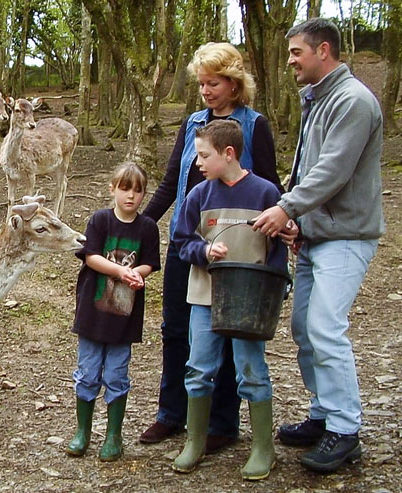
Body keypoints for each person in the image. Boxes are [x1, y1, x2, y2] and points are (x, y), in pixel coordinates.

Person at [253, 18, 384, 473]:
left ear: (323, 50)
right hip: (316, 236)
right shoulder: (320, 100)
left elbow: (333, 171)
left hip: (346, 237)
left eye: (295, 52)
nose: (289, 61)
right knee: (305, 330)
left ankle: (346, 431)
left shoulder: (353, 101)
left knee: (326, 327)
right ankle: (324, 413)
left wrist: (286, 209)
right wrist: (300, 224)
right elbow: (308, 168)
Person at [139, 41, 284, 450]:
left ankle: (222, 423)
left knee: (229, 327)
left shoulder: (253, 125)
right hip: (189, 240)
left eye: (214, 82)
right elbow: (173, 182)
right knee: (176, 328)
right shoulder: (193, 124)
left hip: (237, 247)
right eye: (202, 83)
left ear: (234, 85)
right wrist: (142, 226)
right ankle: (172, 413)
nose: (206, 90)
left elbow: (272, 188)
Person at [171, 120, 288, 480]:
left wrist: (273, 291)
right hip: (206, 297)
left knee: (251, 369)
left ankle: (263, 448)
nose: (198, 162)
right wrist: (204, 250)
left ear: (229, 154)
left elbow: (278, 250)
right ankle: (195, 441)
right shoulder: (198, 196)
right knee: (199, 368)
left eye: (204, 155)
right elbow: (180, 241)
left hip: (249, 301)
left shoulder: (266, 194)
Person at [66, 162, 161, 461]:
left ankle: (113, 436)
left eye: (137, 190)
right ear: (113, 189)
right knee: (88, 372)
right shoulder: (100, 221)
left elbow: (149, 262)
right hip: (93, 314)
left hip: (124, 317)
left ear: (144, 194)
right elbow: (90, 257)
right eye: (124, 188)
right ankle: (82, 432)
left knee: (118, 375)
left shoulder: (148, 227)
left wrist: (137, 274)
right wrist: (121, 272)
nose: (130, 196)